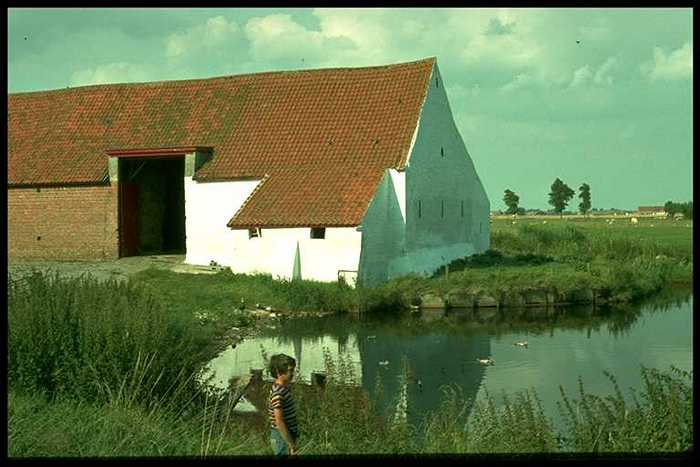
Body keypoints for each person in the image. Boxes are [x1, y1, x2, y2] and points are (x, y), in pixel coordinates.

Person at [268, 354, 299, 457]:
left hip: (287, 434)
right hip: (281, 436)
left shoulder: (283, 388)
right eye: (290, 370)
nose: (292, 374)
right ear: (278, 371)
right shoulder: (278, 393)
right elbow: (279, 421)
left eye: (293, 370)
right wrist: (291, 445)